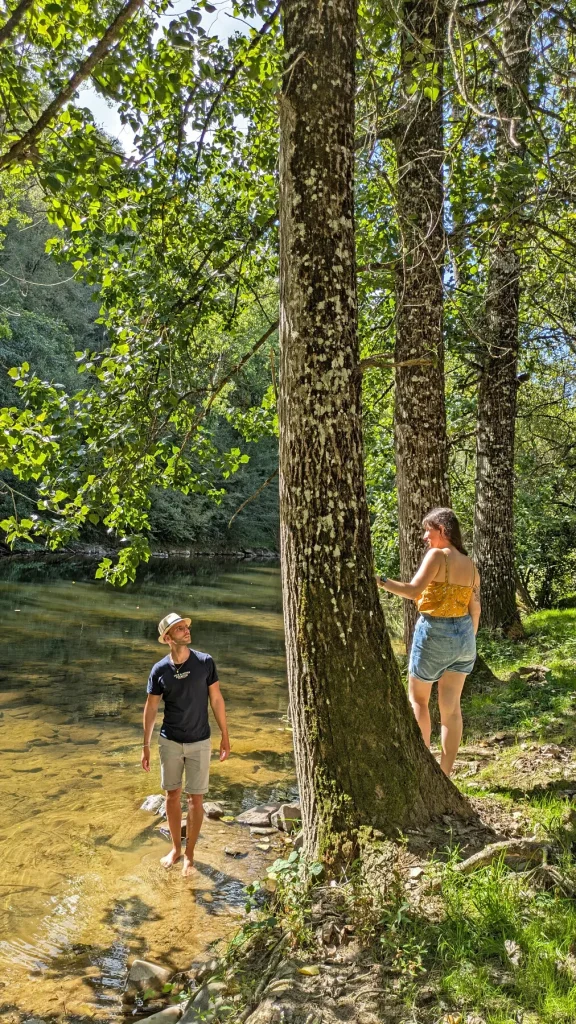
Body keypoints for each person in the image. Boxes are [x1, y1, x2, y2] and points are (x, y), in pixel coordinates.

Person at [376, 508, 480, 776]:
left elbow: (412, 591)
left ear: (443, 531)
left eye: (428, 530)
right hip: (465, 637)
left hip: (435, 631)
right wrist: (467, 640)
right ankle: (444, 774)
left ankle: (423, 771)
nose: (424, 537)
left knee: (419, 700)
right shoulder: (470, 565)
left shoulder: (437, 556)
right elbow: (475, 609)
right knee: (451, 709)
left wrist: (380, 581)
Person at [141, 612, 231, 876]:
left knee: (196, 800)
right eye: (179, 629)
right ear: (168, 638)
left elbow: (216, 699)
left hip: (200, 741)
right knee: (172, 796)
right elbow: (150, 709)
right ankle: (175, 849)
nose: (186, 631)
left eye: (185, 627)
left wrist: (225, 734)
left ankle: (190, 855)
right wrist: (145, 746)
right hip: (169, 741)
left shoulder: (205, 662)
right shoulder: (159, 670)